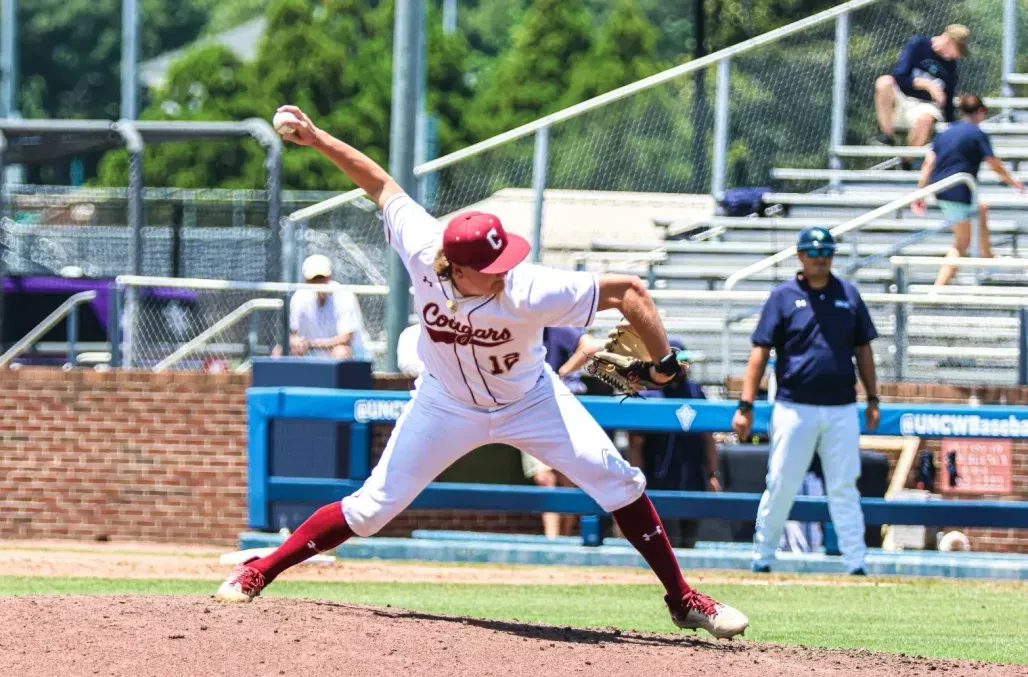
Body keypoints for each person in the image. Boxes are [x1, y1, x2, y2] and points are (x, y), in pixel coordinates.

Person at [216, 105, 749, 640]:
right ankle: (260, 569)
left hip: (532, 400)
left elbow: (629, 291)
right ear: (457, 267)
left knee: (620, 482)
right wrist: (317, 139)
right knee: (371, 509)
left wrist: (664, 362)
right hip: (444, 404)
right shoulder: (426, 250)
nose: (506, 271)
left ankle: (682, 599)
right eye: (492, 267)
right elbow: (378, 184)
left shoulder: (530, 286)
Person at [732, 227, 879, 576]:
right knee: (781, 481)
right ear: (799, 255)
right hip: (793, 406)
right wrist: (745, 404)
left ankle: (855, 562)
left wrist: (873, 397)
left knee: (844, 485)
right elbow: (759, 352)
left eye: (826, 252)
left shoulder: (849, 295)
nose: (820, 258)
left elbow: (864, 350)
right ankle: (763, 556)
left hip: (841, 406)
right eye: (813, 252)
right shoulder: (782, 296)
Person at [910, 94, 1025, 287]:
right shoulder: (977, 133)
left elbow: (928, 164)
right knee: (962, 242)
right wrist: (1014, 182)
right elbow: (994, 164)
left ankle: (988, 260)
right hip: (959, 189)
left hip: (941, 188)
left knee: (981, 208)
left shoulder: (945, 132)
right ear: (980, 112)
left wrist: (921, 192)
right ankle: (937, 289)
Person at [627, 339, 721, 549]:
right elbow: (636, 443)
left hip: (692, 474)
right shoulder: (648, 394)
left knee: (689, 537)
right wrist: (636, 478)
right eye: (678, 363)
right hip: (659, 475)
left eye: (684, 363)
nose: (682, 368)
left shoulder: (695, 392)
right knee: (663, 537)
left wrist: (713, 474)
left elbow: (707, 436)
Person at [521, 326, 600, 539]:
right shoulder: (518, 324)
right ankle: (552, 540)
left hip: (564, 409)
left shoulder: (557, 326)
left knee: (567, 478)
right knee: (544, 478)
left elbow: (590, 346)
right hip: (531, 411)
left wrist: (561, 373)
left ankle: (563, 539)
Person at [873, 25, 969, 164]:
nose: (957, 55)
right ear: (949, 40)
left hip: (925, 106)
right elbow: (899, 76)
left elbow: (947, 101)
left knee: (926, 118)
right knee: (884, 82)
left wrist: (951, 126)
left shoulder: (951, 66)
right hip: (902, 99)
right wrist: (927, 85)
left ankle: (906, 162)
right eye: (958, 50)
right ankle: (887, 135)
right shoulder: (919, 44)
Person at [277, 254, 368, 359]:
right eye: (313, 279)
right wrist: (295, 342)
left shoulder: (344, 296)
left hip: (354, 355)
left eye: (322, 278)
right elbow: (294, 332)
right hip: (313, 353)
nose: (318, 282)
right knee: (278, 352)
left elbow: (346, 338)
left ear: (329, 277)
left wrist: (311, 344)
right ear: (306, 280)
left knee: (340, 352)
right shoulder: (299, 297)